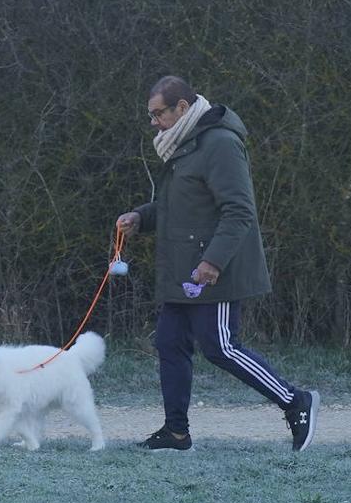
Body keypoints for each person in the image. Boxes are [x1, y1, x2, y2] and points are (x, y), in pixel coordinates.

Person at [117, 76, 320, 451]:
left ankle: (296, 401)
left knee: (220, 346)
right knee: (169, 342)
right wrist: (141, 218)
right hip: (182, 267)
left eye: (158, 113)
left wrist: (213, 262)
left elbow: (239, 212)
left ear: (182, 108)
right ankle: (176, 433)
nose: (153, 122)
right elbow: (180, 207)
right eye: (151, 115)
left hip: (214, 269)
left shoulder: (221, 144)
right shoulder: (181, 146)